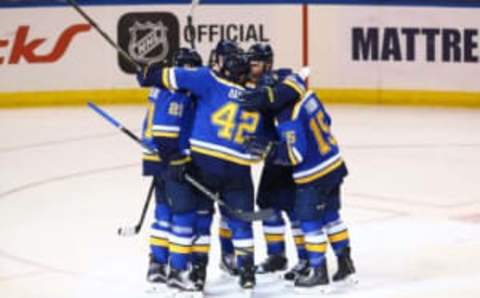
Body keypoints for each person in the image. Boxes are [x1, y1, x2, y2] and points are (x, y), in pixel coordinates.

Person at [137, 48, 263, 291]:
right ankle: (247, 272)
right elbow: (259, 150)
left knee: (197, 219)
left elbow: (163, 78)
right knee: (241, 222)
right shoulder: (256, 98)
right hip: (238, 168)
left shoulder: (207, 80)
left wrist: (147, 72)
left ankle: (196, 271)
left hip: (203, 163)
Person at [243, 85, 357, 292]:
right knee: (332, 216)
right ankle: (345, 263)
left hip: (314, 175)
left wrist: (270, 149)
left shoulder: (287, 116)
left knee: (309, 221)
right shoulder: (308, 97)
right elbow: (327, 122)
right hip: (334, 165)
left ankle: (318, 271)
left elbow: (296, 154)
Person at [142, 48, 204, 293]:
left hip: (155, 159)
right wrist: (178, 160)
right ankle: (178, 271)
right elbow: (165, 132)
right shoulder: (176, 92)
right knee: (184, 216)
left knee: (163, 214)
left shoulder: (159, 88)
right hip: (169, 161)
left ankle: (156, 265)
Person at [244, 43, 309, 279]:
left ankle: (305, 258)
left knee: (294, 209)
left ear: (268, 64)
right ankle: (276, 256)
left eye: (256, 64)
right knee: (267, 205)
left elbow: (297, 86)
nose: (252, 69)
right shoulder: (245, 84)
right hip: (271, 155)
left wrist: (266, 96)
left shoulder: (283, 76)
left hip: (290, 152)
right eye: (249, 64)